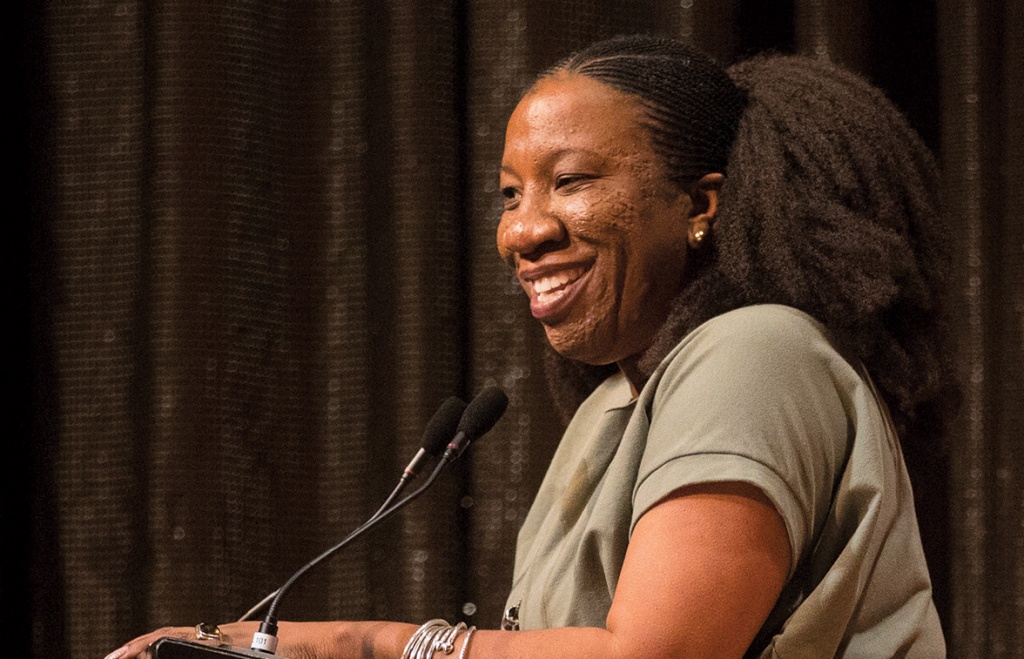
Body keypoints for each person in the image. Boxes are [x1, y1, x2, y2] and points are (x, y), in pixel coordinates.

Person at [107, 34, 954, 659]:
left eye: (572, 181)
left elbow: (653, 655)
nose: (525, 229)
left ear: (701, 204)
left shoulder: (756, 350)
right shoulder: (613, 406)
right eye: (511, 193)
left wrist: (357, 643)